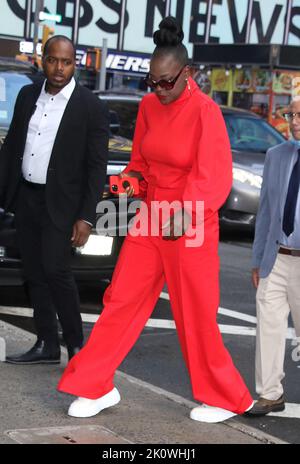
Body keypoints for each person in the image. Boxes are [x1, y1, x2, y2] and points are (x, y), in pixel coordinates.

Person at [58, 17, 253, 423]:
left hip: (191, 220)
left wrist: (184, 213)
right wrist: (127, 183)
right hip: (152, 216)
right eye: (153, 82)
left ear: (187, 73)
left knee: (194, 313)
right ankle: (94, 385)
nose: (160, 91)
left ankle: (225, 397)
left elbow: (213, 177)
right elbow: (141, 164)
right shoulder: (149, 106)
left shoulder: (205, 112)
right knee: (120, 300)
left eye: (167, 82)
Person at [0, 36, 109, 364]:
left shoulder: (90, 105)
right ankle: (47, 344)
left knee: (56, 270)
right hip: (27, 198)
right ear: (42, 60)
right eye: (53, 60)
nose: (59, 68)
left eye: (67, 62)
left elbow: (96, 168)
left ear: (75, 63)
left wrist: (86, 217)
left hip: (61, 204)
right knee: (33, 272)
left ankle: (77, 348)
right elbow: (12, 148)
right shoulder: (27, 95)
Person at [246, 98, 300, 416]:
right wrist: (257, 258)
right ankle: (269, 394)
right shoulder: (276, 156)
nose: (294, 121)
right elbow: (265, 211)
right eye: (291, 114)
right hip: (276, 257)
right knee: (268, 326)